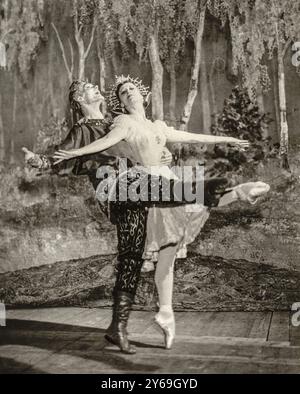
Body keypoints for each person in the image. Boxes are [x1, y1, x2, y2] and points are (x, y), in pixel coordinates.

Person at [53, 75, 270, 350]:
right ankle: (234, 192)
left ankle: (165, 312)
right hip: (142, 187)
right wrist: (73, 154)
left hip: (163, 181)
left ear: (144, 95)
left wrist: (229, 139)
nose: (129, 92)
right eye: (123, 92)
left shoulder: (156, 125)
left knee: (168, 252)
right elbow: (109, 145)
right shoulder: (121, 122)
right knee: (154, 242)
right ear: (119, 102)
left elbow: (192, 137)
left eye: (132, 88)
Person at [23, 80, 173, 355]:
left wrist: (162, 156)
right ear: (80, 98)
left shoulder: (118, 120)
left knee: (133, 255)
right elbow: (62, 155)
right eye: (90, 88)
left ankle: (118, 326)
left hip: (139, 184)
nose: (96, 89)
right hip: (117, 190)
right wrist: (40, 161)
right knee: (132, 254)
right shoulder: (83, 129)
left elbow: (146, 145)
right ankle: (119, 327)